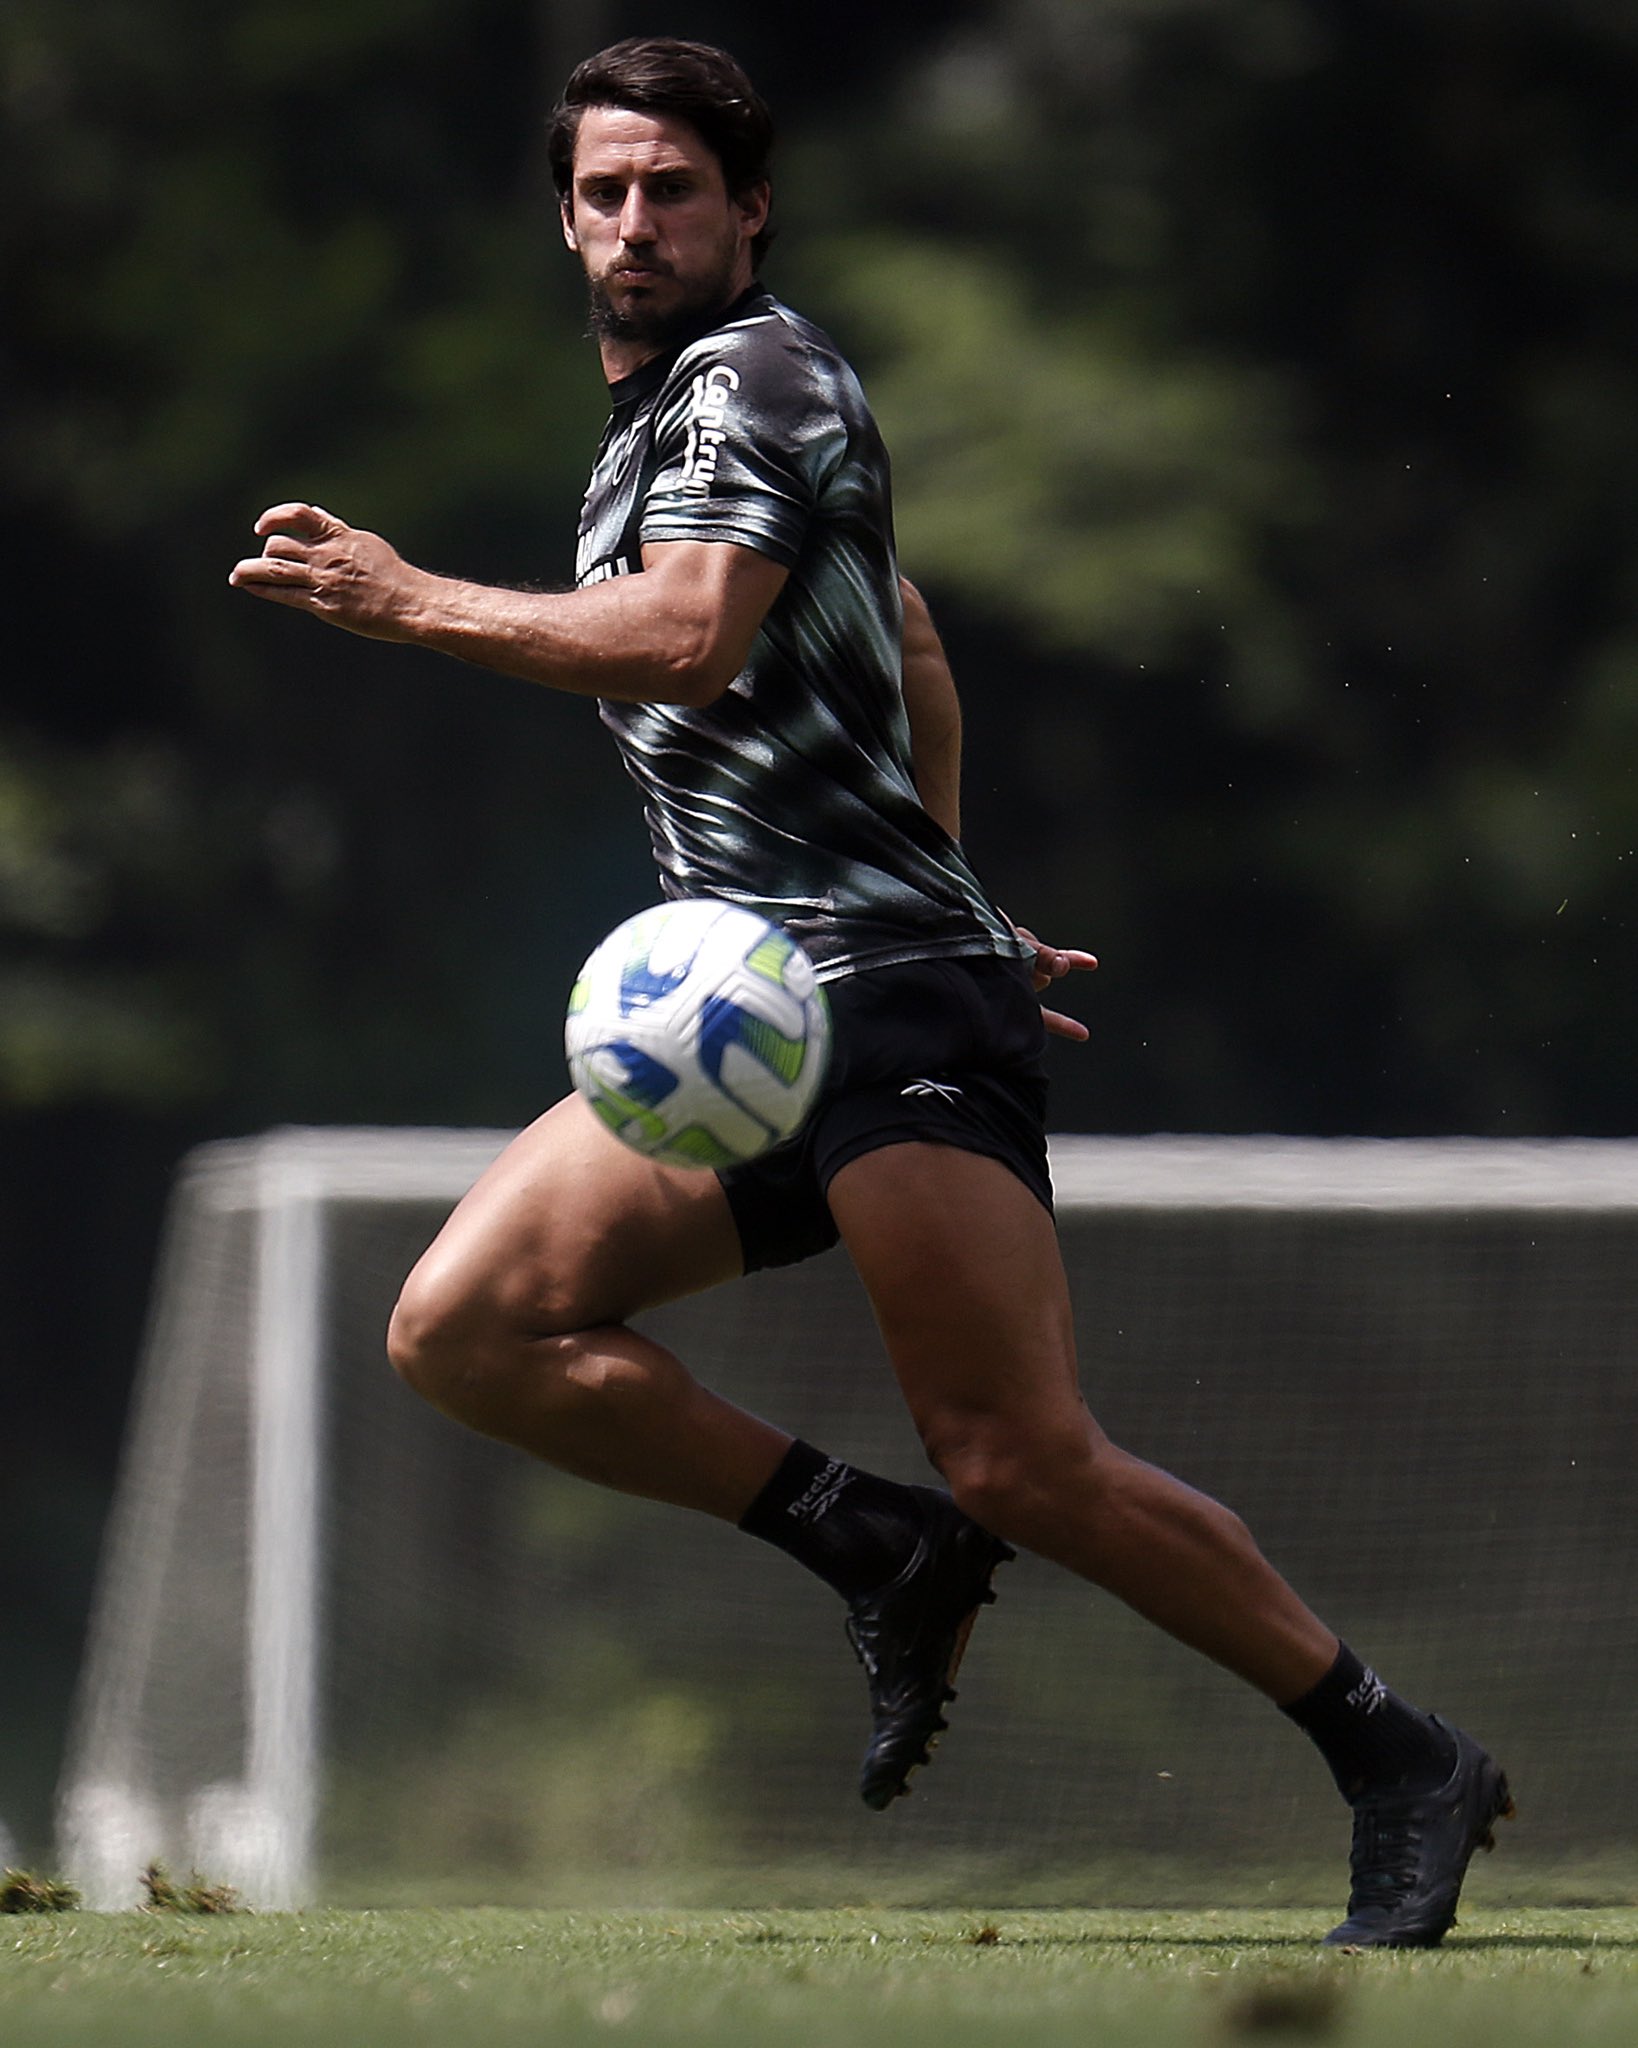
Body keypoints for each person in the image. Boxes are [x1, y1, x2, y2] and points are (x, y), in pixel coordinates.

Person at [229, 36, 1510, 1946]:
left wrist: (415, 601)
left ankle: (1399, 1753)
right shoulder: (648, 429)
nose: (635, 222)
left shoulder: (762, 375)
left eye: (674, 188)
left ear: (750, 210)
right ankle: (867, 1539)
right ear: (563, 218)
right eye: (603, 191)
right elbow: (905, 631)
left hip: (885, 1002)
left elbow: (680, 639)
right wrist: (964, 870)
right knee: (467, 1327)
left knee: (1023, 1456)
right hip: (758, 1014)